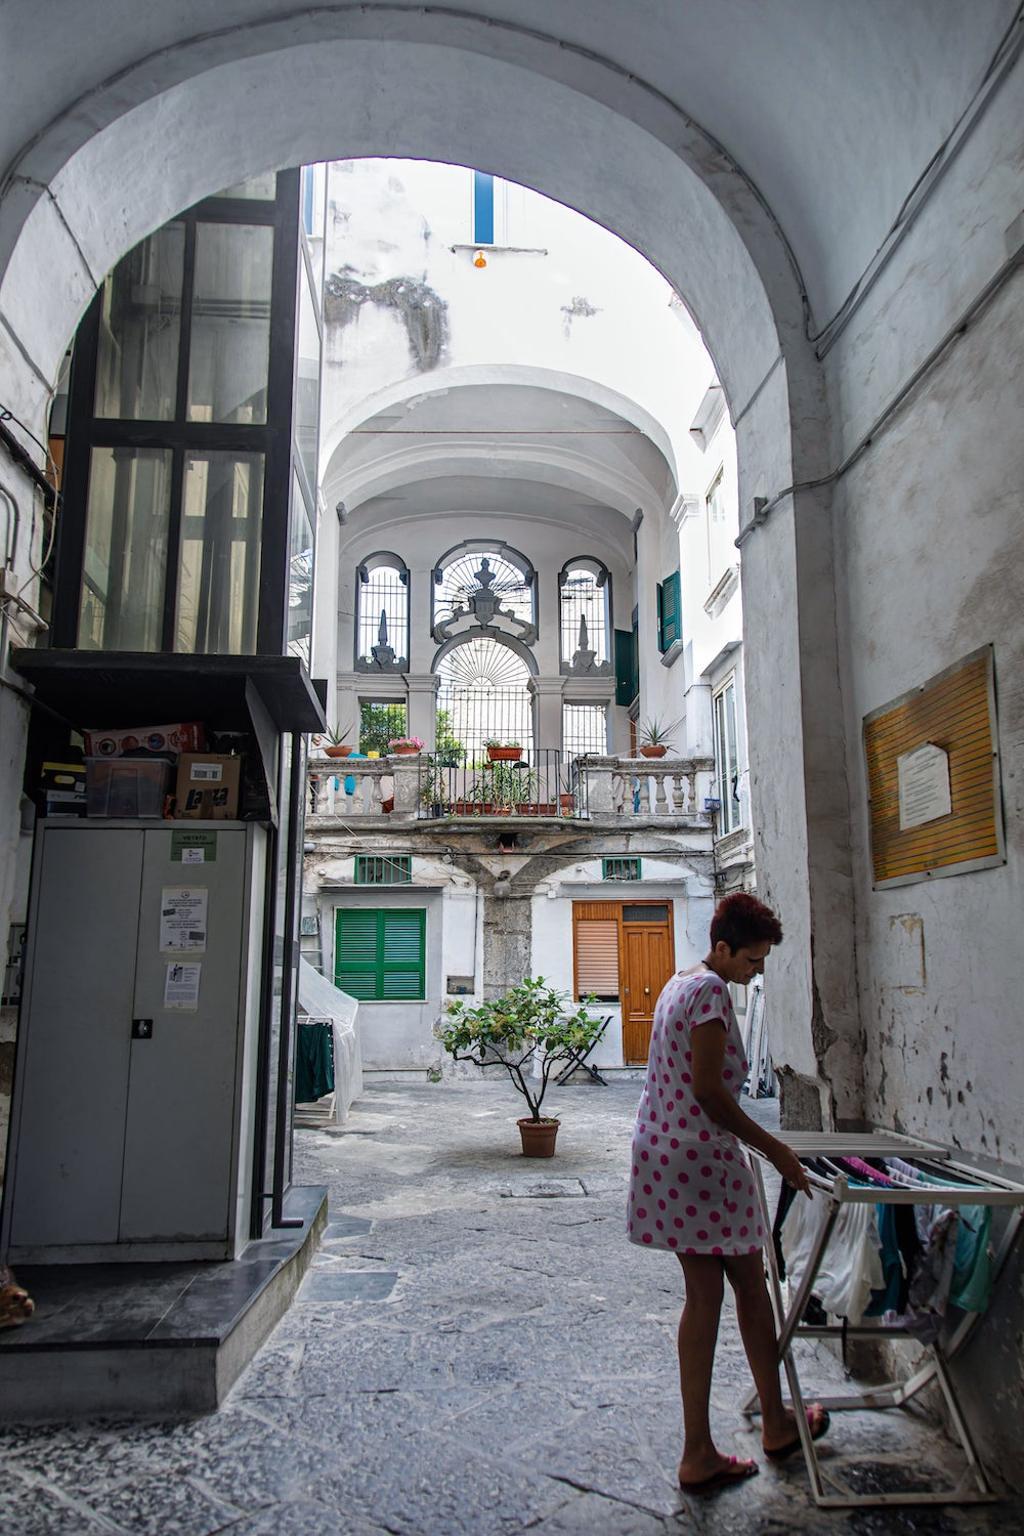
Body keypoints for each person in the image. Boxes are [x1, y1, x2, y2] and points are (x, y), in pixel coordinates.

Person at [627, 891, 829, 1493]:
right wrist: (777, 1150)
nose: (755, 972)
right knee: (743, 1287)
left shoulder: (679, 982)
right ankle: (747, 1432)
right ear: (722, 947)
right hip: (701, 1159)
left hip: (663, 1151)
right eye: (752, 960)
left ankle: (730, 1437)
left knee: (716, 1293)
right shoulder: (712, 992)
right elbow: (710, 1092)